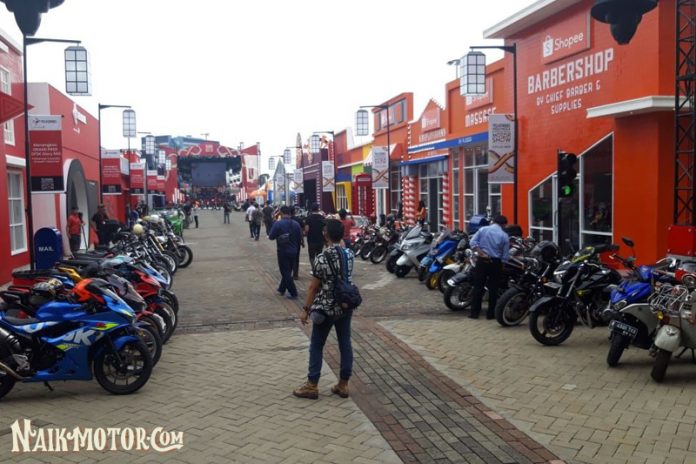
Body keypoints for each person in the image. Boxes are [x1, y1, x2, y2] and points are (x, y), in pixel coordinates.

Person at [293, 219, 355, 400]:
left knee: (317, 345)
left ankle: (312, 385)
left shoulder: (322, 258)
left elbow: (313, 287)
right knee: (345, 343)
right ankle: (343, 384)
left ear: (326, 234)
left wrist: (306, 309)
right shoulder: (349, 254)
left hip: (326, 308)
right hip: (345, 305)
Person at [468, 215, 510, 320]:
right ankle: (490, 314)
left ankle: (474, 313)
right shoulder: (504, 235)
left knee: (478, 287)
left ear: (494, 221)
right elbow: (505, 255)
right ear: (504, 224)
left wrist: (481, 253)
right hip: (495, 263)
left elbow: (472, 242)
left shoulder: (483, 230)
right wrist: (502, 266)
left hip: (482, 261)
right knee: (493, 289)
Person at [269, 206, 302, 300]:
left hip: (283, 251)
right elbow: (300, 237)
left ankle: (293, 292)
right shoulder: (296, 224)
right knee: (288, 270)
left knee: (285, 272)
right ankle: (281, 289)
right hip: (294, 250)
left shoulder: (278, 224)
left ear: (281, 213)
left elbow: (271, 236)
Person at [304, 204, 326, 271]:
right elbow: (325, 229)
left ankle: (313, 268)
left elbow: (306, 229)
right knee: (319, 255)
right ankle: (318, 268)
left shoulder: (308, 218)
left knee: (312, 255)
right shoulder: (322, 218)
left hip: (311, 240)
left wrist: (306, 233)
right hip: (320, 239)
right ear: (318, 209)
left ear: (311, 209)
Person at [291, 207, 305, 279]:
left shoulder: (286, 220)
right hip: (297, 241)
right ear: (294, 212)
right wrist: (302, 241)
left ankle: (289, 272)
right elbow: (301, 231)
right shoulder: (299, 220)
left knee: (288, 257)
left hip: (288, 241)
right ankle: (295, 274)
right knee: (296, 257)